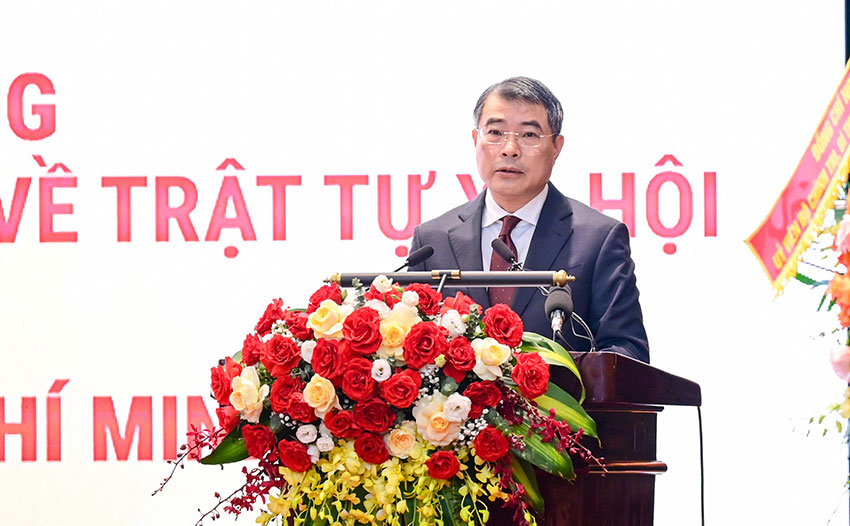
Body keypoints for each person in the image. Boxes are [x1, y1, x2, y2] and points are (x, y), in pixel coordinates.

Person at [408, 77, 649, 363]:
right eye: (495, 132)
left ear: (557, 147)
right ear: (475, 139)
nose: (510, 149)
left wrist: (560, 376)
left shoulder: (597, 239)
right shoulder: (432, 241)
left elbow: (627, 351)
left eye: (529, 135)